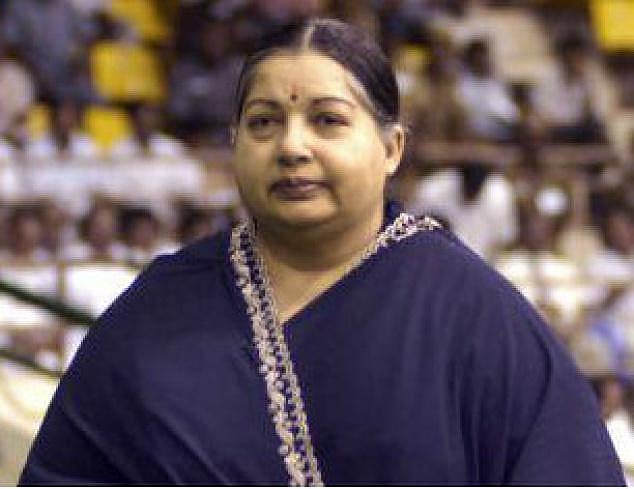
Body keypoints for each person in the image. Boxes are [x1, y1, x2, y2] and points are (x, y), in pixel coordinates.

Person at [19, 18, 624, 485]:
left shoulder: (470, 313)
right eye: (263, 123)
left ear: (391, 148)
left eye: (328, 121)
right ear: (234, 143)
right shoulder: (159, 309)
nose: (292, 147)